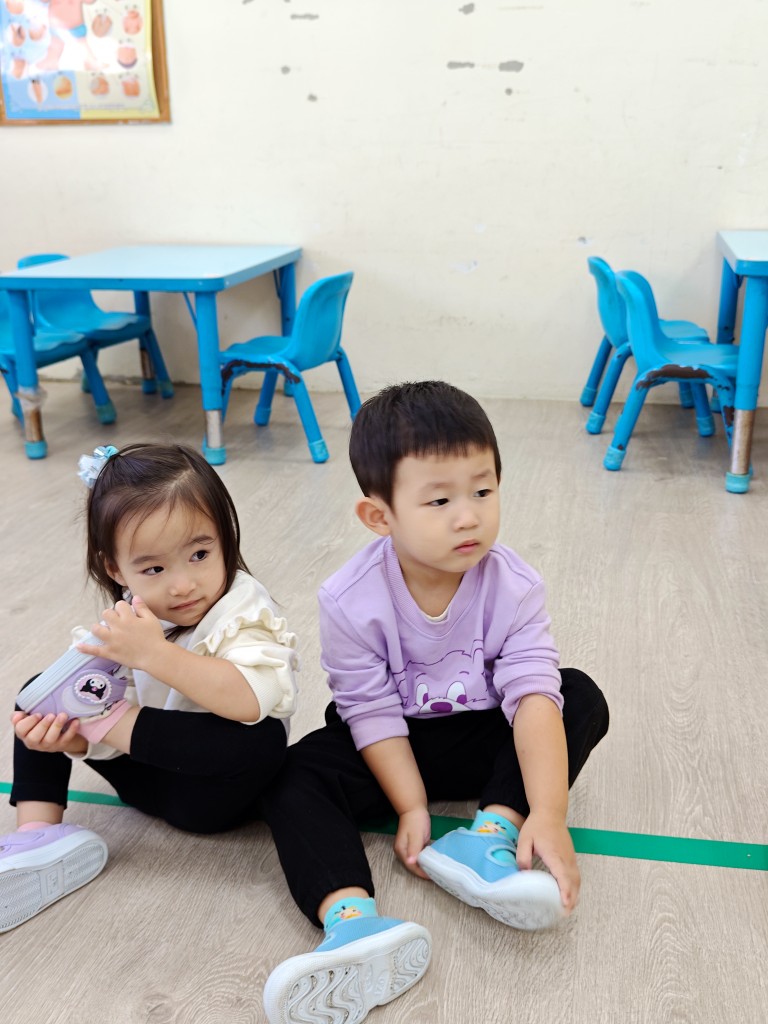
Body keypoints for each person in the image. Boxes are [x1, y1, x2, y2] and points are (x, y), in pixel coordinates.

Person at [260, 380, 609, 1024]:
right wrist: (411, 806)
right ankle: (350, 920)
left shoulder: (514, 584)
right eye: (440, 500)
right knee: (293, 774)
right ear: (380, 516)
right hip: (389, 744)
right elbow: (368, 709)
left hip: (481, 734)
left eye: (483, 491)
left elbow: (532, 694)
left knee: (576, 693)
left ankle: (491, 835)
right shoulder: (349, 597)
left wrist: (549, 812)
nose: (468, 516)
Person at [1, 442, 298, 932]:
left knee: (263, 740)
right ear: (116, 569)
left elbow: (251, 700)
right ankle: (37, 836)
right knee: (37, 696)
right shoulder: (131, 616)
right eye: (154, 569)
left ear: (225, 539)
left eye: (199, 554)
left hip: (213, 796)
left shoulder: (242, 609)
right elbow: (102, 700)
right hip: (145, 778)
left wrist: (149, 663)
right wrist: (70, 736)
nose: (182, 585)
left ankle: (93, 731)